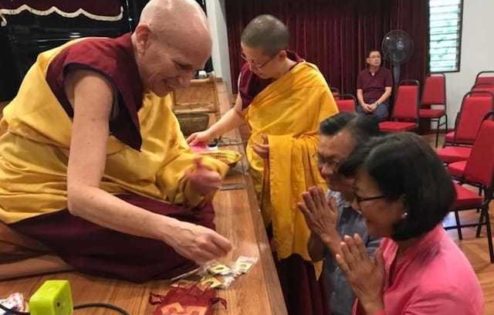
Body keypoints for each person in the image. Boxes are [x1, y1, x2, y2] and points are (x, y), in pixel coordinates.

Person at [0, 0, 233, 282]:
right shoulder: (95, 73)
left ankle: (81, 251)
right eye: (181, 66)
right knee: (169, 244)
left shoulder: (149, 79)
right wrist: (170, 230)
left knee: (198, 222)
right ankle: (54, 258)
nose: (185, 83)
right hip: (41, 187)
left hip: (103, 184)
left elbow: (163, 153)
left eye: (193, 70)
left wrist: (190, 179)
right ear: (144, 38)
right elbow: (81, 198)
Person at [187, 14, 338, 315]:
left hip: (293, 183)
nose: (250, 67)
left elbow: (328, 143)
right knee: (265, 243)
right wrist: (208, 133)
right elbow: (240, 111)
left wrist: (281, 148)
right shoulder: (249, 75)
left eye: (257, 62)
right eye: (246, 58)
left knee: (293, 255)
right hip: (259, 172)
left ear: (281, 54)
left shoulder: (311, 83)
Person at [336, 133, 484, 315]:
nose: (355, 205)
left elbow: (376, 300)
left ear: (404, 204)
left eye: (361, 197)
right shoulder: (397, 239)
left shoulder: (441, 292)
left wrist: (370, 298)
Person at [298, 113, 381, 315]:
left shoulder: (381, 209)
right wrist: (317, 231)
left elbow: (371, 285)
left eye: (334, 162)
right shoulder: (335, 193)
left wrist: (328, 233)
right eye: (320, 159)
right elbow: (315, 254)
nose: (324, 171)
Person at [356, 50, 392, 121]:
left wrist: (376, 104)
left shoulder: (387, 73)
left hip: (380, 104)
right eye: (373, 57)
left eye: (378, 57)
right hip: (365, 103)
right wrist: (363, 104)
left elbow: (388, 91)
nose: (376, 59)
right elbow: (359, 92)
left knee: (378, 115)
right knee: (356, 116)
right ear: (368, 60)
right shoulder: (362, 74)